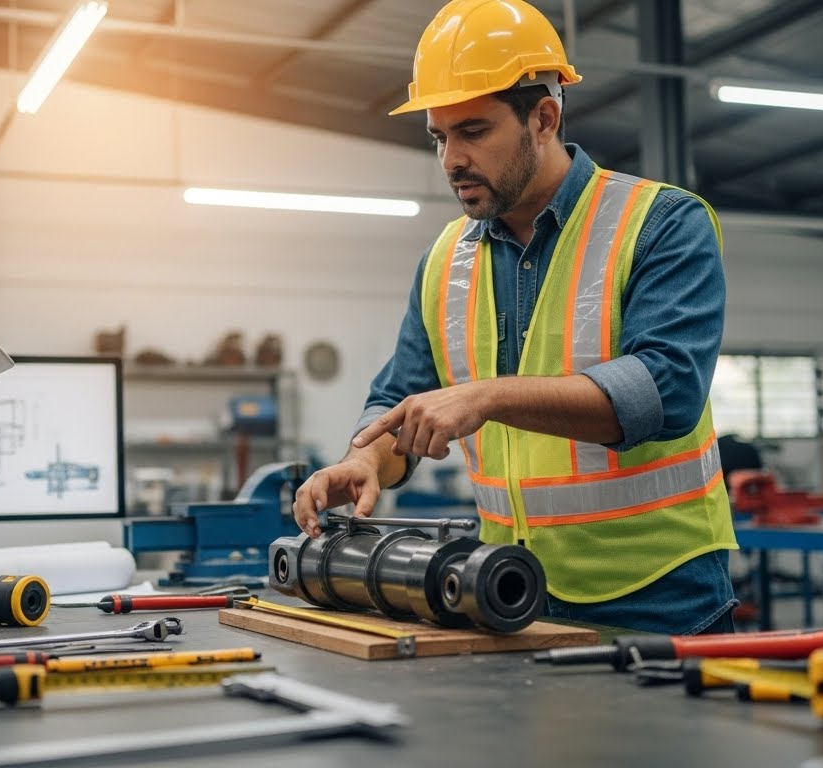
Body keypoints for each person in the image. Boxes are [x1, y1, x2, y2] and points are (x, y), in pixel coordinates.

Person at [292, 0, 738, 636]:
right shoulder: (445, 258)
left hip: (658, 595)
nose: (451, 159)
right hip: (504, 591)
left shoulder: (663, 224)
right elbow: (400, 399)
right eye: (439, 136)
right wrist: (366, 461)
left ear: (544, 118)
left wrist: (487, 398)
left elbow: (666, 392)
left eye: (473, 131)